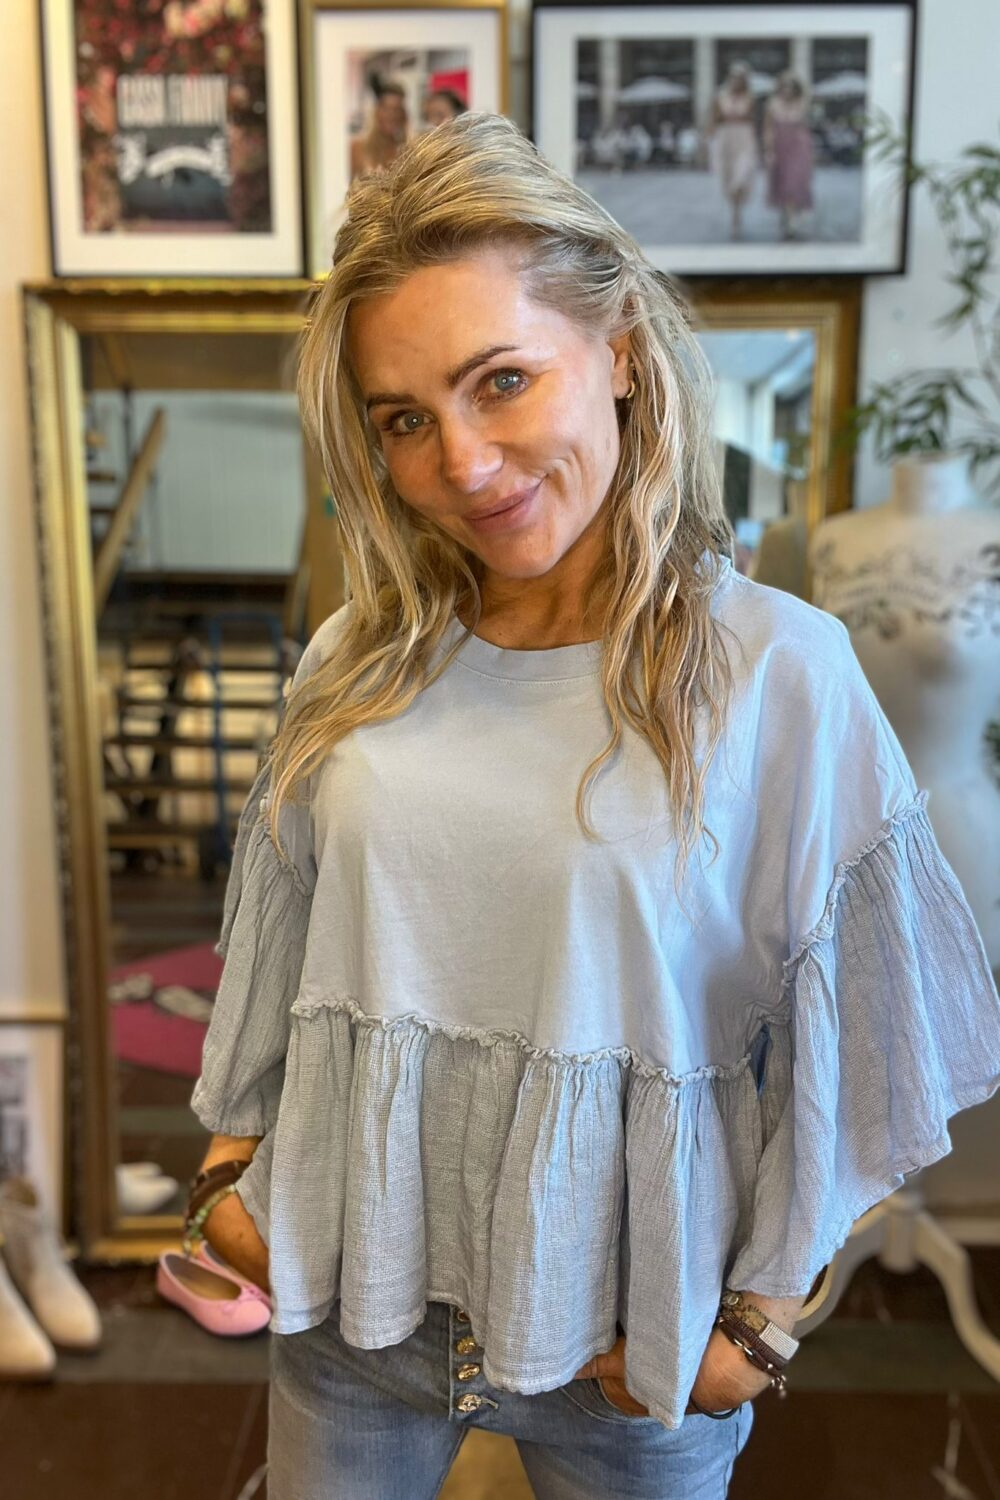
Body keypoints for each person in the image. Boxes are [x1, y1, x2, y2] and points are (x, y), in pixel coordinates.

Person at [188, 113, 1000, 1498]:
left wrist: (761, 1319)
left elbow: (878, 1028)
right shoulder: (353, 660)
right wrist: (225, 1181)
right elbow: (284, 941)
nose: (461, 463)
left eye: (501, 381)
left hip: (633, 1340)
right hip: (351, 1319)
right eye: (404, 419)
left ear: (619, 348)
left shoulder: (776, 672)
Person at [707, 62, 759, 239]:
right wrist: (709, 141)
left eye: (740, 78)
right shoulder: (720, 96)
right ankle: (736, 214)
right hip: (725, 138)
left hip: (744, 137)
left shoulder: (750, 97)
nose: (736, 81)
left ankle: (737, 215)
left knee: (741, 175)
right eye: (734, 77)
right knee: (728, 179)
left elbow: (754, 120)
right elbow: (713, 120)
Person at [763, 72, 815, 239]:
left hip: (799, 146)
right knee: (782, 183)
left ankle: (792, 222)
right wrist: (769, 150)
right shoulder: (773, 104)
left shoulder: (802, 103)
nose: (787, 90)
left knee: (796, 182)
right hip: (780, 146)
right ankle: (786, 215)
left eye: (791, 86)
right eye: (784, 86)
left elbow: (806, 127)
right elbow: (768, 128)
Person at [349, 76, 407, 180]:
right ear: (377, 110)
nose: (391, 115)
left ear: (403, 114)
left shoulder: (404, 151)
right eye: (386, 108)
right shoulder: (357, 148)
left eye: (396, 109)